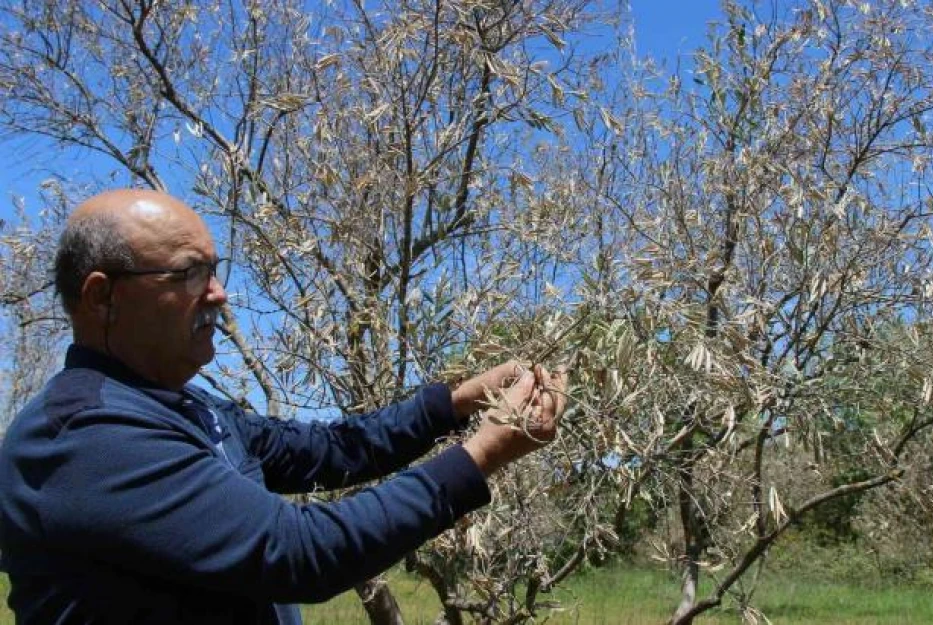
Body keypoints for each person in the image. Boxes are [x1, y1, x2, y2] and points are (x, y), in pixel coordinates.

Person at [0, 189, 566, 624]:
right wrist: (484, 452)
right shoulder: (82, 439)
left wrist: (453, 404)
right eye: (190, 273)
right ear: (103, 296)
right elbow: (299, 550)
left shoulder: (189, 409)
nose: (218, 293)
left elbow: (330, 451)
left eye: (215, 270)